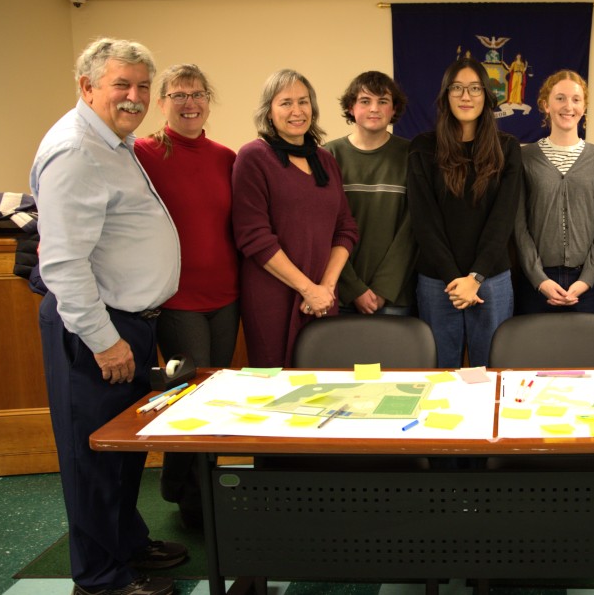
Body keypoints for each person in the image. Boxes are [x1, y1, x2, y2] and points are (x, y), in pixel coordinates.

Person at [30, 38, 186, 595]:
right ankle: (101, 580)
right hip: (98, 329)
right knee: (93, 457)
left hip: (130, 322)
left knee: (124, 449)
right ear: (87, 86)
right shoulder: (77, 150)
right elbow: (65, 264)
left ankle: (127, 544)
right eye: (122, 84)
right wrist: (103, 340)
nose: (135, 96)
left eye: (143, 86)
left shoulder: (113, 143)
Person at [134, 64, 238, 529]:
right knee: (187, 397)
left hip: (225, 296)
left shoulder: (225, 157)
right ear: (161, 103)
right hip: (177, 300)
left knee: (214, 395)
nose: (189, 103)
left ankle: (203, 482)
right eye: (178, 95)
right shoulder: (143, 153)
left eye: (197, 94)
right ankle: (185, 493)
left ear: (208, 101)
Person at [232, 69, 358, 367]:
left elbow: (346, 228)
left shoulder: (324, 159)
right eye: (285, 103)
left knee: (324, 384)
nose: (297, 111)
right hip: (273, 296)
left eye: (303, 101)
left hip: (322, 297)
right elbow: (254, 237)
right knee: (278, 391)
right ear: (269, 111)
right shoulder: (252, 158)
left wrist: (325, 288)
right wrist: (307, 288)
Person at [407, 57, 522, 368]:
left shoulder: (507, 148)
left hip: (491, 278)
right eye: (457, 88)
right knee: (443, 374)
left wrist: (475, 277)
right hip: (437, 280)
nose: (466, 96)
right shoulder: (422, 148)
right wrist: (454, 279)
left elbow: (503, 219)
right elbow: (424, 221)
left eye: (474, 88)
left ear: (486, 95)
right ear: (446, 96)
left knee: (492, 373)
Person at [514, 70, 594, 314]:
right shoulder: (523, 157)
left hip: (586, 283)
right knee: (533, 352)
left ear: (585, 107)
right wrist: (540, 280)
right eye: (560, 98)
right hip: (536, 283)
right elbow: (519, 227)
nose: (567, 106)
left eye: (576, 99)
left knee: (583, 353)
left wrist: (587, 280)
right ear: (545, 105)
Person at [322, 71, 416, 315]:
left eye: (383, 101)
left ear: (393, 109)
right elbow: (324, 228)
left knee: (396, 355)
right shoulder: (328, 156)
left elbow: (412, 228)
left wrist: (384, 288)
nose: (374, 108)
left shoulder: (412, 155)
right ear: (351, 107)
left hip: (396, 296)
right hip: (340, 294)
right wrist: (353, 289)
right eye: (365, 101)